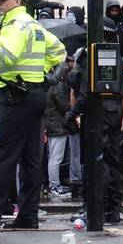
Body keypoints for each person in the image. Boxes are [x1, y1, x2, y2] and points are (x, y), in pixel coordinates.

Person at [0, 0, 66, 230]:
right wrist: (41, 73)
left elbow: (7, 56)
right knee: (31, 159)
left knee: (3, 158)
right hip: (34, 95)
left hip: (16, 96)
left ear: (17, 2)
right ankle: (28, 216)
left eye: (3, 0)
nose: (0, 4)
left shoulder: (15, 25)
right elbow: (59, 52)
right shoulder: (35, 26)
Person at [68, 18, 123, 224]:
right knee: (112, 161)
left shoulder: (91, 55)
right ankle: (113, 208)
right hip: (113, 111)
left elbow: (85, 92)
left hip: (97, 112)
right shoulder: (117, 56)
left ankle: (95, 206)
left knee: (96, 161)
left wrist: (72, 113)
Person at [44, 53, 74, 198]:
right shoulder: (59, 85)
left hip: (51, 124)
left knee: (53, 157)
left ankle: (53, 184)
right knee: (56, 158)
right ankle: (54, 186)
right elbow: (64, 106)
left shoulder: (49, 84)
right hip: (58, 126)